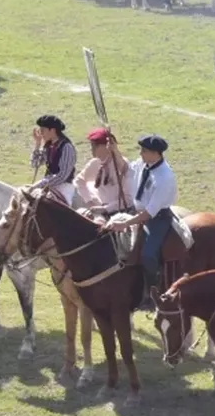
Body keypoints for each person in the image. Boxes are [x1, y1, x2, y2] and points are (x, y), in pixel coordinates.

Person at [103, 134, 176, 310]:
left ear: (155, 153)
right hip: (138, 212)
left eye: (144, 151)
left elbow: (150, 212)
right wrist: (115, 150)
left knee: (148, 254)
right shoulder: (144, 164)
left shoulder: (164, 177)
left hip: (157, 219)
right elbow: (127, 168)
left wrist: (124, 225)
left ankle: (154, 292)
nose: (141, 153)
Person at [73, 127, 133, 222]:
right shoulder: (94, 163)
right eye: (92, 145)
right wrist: (90, 202)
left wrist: (106, 208)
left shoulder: (121, 165)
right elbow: (79, 181)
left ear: (107, 146)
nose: (91, 148)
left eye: (95, 145)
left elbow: (128, 200)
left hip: (119, 213)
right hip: (100, 211)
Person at [29, 114, 77, 204]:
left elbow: (62, 176)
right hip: (49, 186)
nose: (41, 133)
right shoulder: (49, 146)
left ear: (52, 130)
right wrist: (38, 144)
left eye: (43, 130)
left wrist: (39, 185)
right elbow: (35, 164)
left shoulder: (66, 147)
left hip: (63, 187)